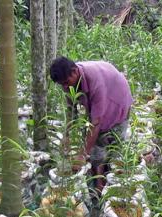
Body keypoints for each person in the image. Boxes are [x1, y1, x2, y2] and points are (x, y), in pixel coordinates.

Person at [50, 56, 133, 192]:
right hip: (101, 98)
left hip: (118, 100)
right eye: (62, 85)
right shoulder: (69, 83)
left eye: (66, 82)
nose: (65, 87)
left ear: (75, 71)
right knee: (95, 147)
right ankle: (99, 184)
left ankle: (111, 185)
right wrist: (67, 135)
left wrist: (83, 154)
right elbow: (71, 111)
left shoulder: (95, 81)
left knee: (113, 145)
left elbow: (96, 123)